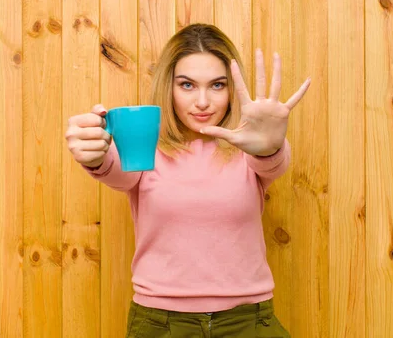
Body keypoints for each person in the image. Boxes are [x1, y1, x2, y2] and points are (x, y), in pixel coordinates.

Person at [65, 24, 310, 338]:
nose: (203, 101)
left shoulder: (251, 148)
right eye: (188, 85)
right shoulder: (143, 146)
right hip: (161, 325)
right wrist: (94, 154)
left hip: (248, 323)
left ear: (232, 90)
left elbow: (273, 161)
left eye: (217, 85)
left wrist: (271, 145)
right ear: (169, 87)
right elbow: (113, 167)